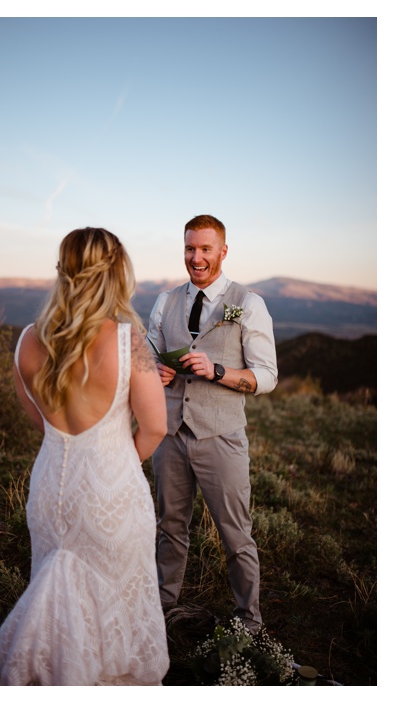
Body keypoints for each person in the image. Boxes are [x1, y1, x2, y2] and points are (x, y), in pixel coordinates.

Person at [0, 227, 169, 685]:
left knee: (60, 611)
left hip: (51, 490)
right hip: (111, 496)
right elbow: (155, 427)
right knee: (120, 612)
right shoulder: (130, 343)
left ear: (63, 271)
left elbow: (41, 421)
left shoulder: (28, 340)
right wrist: (118, 462)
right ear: (115, 274)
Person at [149, 215, 276, 632]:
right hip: (168, 434)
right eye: (190, 248)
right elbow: (147, 358)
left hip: (221, 436)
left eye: (205, 249)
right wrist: (155, 372)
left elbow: (267, 377)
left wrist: (218, 371)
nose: (196, 258)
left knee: (236, 536)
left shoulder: (249, 303)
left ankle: (249, 622)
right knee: (169, 528)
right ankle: (161, 609)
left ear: (223, 250)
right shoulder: (165, 301)